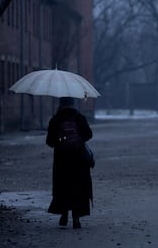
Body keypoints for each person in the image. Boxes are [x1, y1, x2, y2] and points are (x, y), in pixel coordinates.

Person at [46, 96, 93, 229]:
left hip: (62, 160)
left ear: (61, 104)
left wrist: (60, 142)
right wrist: (78, 141)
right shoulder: (79, 117)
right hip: (78, 159)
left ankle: (64, 215)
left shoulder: (55, 119)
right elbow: (89, 134)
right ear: (73, 104)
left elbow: (49, 142)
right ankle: (76, 218)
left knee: (63, 186)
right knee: (78, 187)